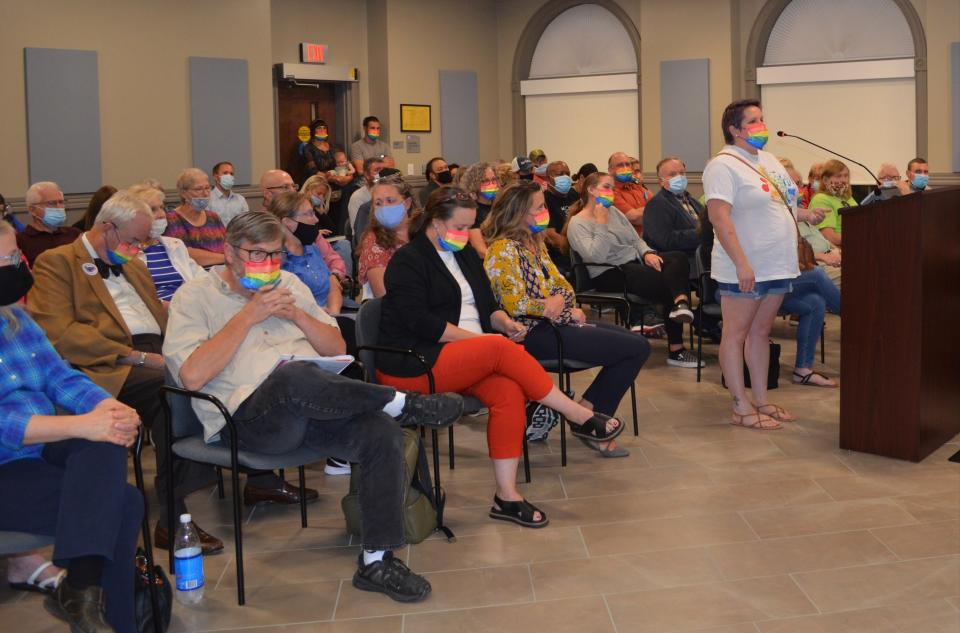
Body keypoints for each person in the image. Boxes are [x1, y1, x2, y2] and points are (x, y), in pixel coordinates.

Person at [163, 211, 464, 602]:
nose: (269, 265)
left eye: (275, 255)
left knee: (381, 434)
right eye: (257, 254)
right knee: (290, 376)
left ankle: (376, 560)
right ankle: (401, 403)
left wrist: (299, 316)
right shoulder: (194, 296)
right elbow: (191, 377)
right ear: (230, 253)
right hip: (246, 420)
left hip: (314, 407)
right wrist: (248, 316)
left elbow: (338, 349)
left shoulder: (289, 284)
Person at [376, 187, 625, 528]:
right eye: (459, 227)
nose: (466, 234)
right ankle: (578, 415)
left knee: (508, 391)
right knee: (499, 349)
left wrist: (502, 322)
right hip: (415, 362)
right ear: (435, 223)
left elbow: (487, 305)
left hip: (466, 356)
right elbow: (423, 324)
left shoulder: (462, 254)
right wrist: (483, 342)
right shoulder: (408, 261)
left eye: (469, 227)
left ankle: (506, 496)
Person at [25, 192, 231, 555]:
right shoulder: (56, 263)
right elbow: (61, 333)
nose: (139, 248)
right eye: (134, 240)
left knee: (216, 377)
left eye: (144, 241)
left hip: (158, 351)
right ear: (107, 228)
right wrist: (136, 357)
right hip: (109, 363)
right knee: (175, 393)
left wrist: (190, 343)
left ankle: (248, 475)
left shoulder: (134, 265)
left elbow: (164, 317)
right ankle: (173, 516)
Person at [0, 220, 144, 632]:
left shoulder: (15, 319)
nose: (18, 265)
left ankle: (82, 596)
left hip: (38, 451)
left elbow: (61, 377)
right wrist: (83, 425)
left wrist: (110, 409)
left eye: (17, 256)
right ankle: (103, 611)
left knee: (104, 442)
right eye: (9, 259)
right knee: (125, 502)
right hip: (5, 466)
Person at [482, 182, 648, 457]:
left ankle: (583, 413)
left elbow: (564, 287)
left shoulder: (534, 244)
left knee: (635, 343)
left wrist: (561, 305)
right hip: (532, 334)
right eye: (539, 207)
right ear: (520, 213)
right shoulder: (503, 250)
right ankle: (589, 422)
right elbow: (515, 303)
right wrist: (555, 305)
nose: (544, 212)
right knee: (634, 349)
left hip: (556, 325)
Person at [702, 98, 826, 431]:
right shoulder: (722, 165)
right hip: (745, 265)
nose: (761, 126)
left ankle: (762, 399)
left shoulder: (768, 159)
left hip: (776, 264)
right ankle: (740, 406)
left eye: (762, 119)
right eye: (753, 121)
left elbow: (776, 204)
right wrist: (742, 263)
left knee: (760, 333)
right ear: (734, 129)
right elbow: (718, 216)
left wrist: (805, 214)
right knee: (736, 334)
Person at [565, 172, 700, 368]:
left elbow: (636, 240)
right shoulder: (578, 223)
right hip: (608, 273)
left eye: (612, 187)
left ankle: (680, 302)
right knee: (668, 284)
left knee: (676, 258)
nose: (611, 192)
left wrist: (647, 254)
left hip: (633, 264)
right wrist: (601, 223)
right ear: (591, 190)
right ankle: (676, 349)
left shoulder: (615, 213)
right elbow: (596, 257)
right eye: (606, 187)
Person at [265, 190, 342, 315]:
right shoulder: (275, 259)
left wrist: (333, 317)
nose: (316, 219)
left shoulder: (311, 247)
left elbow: (333, 287)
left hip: (329, 316)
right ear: (287, 222)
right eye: (309, 214)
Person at [129, 183, 203, 303]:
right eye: (153, 209)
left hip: (187, 306)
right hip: (155, 312)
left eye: (162, 208)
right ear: (134, 215)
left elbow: (200, 277)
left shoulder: (175, 245)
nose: (162, 214)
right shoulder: (127, 250)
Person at [781, 266, 840, 388]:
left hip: (779, 280)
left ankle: (802, 370)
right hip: (755, 284)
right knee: (816, 274)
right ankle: (858, 323)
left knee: (815, 302)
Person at [359, 176, 414, 299]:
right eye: (378, 203)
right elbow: (383, 293)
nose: (384, 207)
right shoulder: (373, 240)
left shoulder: (422, 232)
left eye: (390, 200)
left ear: (407, 203)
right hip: (397, 307)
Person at [163, 168, 227, 267]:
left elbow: (228, 246)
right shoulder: (172, 219)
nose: (205, 193)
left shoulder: (213, 217)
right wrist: (225, 258)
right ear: (183, 193)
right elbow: (185, 254)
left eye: (207, 188)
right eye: (198, 189)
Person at [642, 156, 703, 255]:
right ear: (661, 181)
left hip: (703, 255)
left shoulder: (694, 202)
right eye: (672, 174)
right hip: (682, 261)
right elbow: (664, 240)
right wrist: (700, 234)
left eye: (682, 173)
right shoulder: (656, 204)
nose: (679, 177)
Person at [17, 181, 80, 267]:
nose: (59, 207)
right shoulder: (21, 241)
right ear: (32, 210)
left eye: (61, 202)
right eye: (51, 203)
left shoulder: (74, 234)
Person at [302, 173, 353, 278]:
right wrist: (316, 232)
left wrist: (322, 213)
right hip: (309, 243)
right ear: (308, 190)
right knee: (343, 246)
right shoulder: (299, 207)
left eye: (323, 195)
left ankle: (346, 279)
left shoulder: (318, 208)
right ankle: (346, 279)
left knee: (344, 244)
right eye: (318, 194)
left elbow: (333, 230)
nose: (321, 197)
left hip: (322, 241)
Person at [809, 159, 856, 248]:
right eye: (838, 176)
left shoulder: (848, 198)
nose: (843, 180)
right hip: (838, 250)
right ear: (825, 180)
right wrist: (857, 238)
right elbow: (829, 237)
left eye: (846, 176)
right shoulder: (821, 199)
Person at [542, 161, 577, 273]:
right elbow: (551, 235)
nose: (565, 177)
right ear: (548, 178)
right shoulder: (543, 200)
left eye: (567, 173)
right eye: (560, 174)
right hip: (558, 260)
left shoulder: (574, 196)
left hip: (578, 255)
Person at [459, 161, 500, 257]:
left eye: (494, 179)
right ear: (474, 184)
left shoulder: (500, 206)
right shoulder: (471, 211)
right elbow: (480, 250)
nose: (491, 184)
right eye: (485, 181)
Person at [609, 152, 652, 236]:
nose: (625, 168)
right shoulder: (610, 192)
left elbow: (660, 208)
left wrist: (639, 211)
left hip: (652, 239)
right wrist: (652, 211)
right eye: (620, 165)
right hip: (630, 243)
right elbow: (634, 218)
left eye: (627, 164)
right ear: (610, 170)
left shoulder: (639, 188)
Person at [348, 157, 385, 242]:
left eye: (383, 170)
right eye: (377, 170)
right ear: (367, 175)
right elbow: (358, 232)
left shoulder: (391, 194)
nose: (381, 174)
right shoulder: (358, 197)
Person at [208, 160, 249, 228]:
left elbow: (246, 223)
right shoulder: (208, 199)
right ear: (216, 177)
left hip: (237, 237)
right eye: (225, 173)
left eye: (231, 174)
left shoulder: (241, 199)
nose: (229, 176)